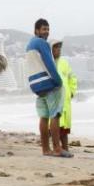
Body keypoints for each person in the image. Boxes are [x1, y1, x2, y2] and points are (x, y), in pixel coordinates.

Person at [25, 18, 71, 157]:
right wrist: (58, 81)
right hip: (48, 83)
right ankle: (57, 148)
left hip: (36, 86)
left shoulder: (29, 45)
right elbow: (49, 63)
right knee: (55, 115)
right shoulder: (42, 43)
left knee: (43, 117)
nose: (47, 32)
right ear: (36, 30)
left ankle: (46, 149)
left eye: (48, 29)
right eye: (44, 29)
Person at [51, 39, 78, 151]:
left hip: (65, 99)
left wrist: (72, 91)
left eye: (60, 48)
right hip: (53, 99)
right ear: (50, 49)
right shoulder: (48, 62)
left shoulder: (64, 62)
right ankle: (57, 148)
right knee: (55, 125)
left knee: (65, 127)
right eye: (56, 47)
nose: (58, 50)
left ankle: (66, 148)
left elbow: (72, 77)